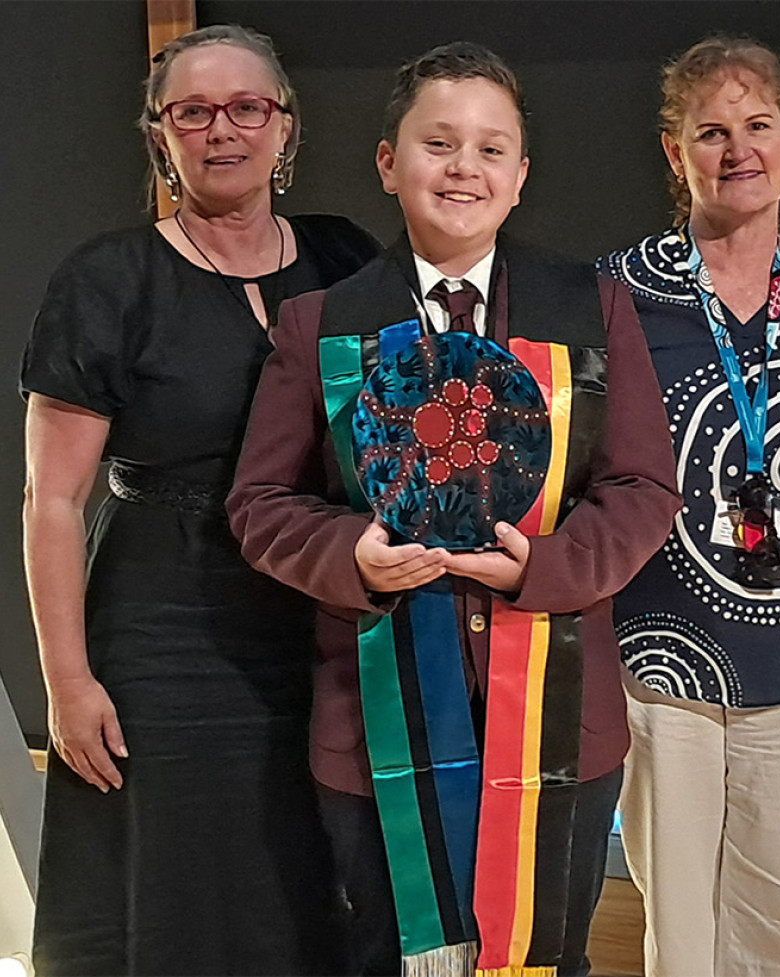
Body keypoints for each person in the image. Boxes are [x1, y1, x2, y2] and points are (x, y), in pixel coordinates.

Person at [227, 41, 679, 977]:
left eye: (489, 148)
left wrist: (544, 569)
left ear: (520, 175)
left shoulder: (591, 309)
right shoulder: (322, 324)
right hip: (372, 721)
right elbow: (261, 504)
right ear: (389, 163)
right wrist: (351, 553)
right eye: (439, 144)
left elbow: (642, 489)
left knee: (547, 953)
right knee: (393, 955)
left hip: (560, 711)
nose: (463, 167)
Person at [20, 23, 379, 976]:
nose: (223, 130)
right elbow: (52, 499)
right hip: (165, 624)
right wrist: (66, 682)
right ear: (160, 134)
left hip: (322, 615)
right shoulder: (108, 279)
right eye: (193, 111)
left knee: (315, 870)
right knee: (185, 883)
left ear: (286, 128)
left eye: (247, 106)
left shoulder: (345, 258)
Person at [597, 35, 780, 977]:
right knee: (682, 929)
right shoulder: (612, 300)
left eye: (758, 125)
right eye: (711, 131)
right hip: (659, 653)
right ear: (672, 150)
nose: (738, 151)